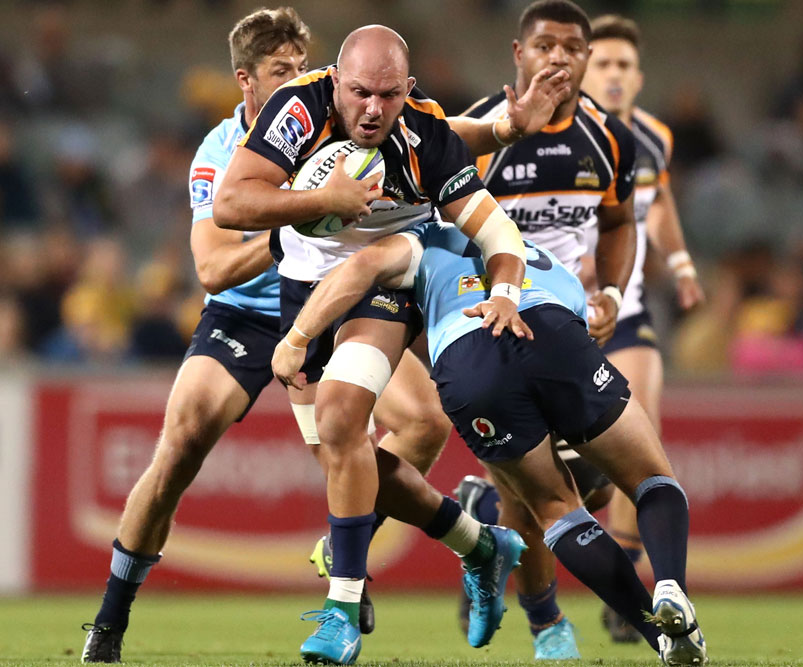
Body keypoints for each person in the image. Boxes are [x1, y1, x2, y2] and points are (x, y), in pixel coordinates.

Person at [212, 23, 565, 665]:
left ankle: (342, 611)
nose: (371, 110)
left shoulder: (424, 134)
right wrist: (326, 199)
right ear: (334, 81)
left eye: (386, 95)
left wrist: (508, 287)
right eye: (358, 94)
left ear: (407, 90)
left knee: (344, 414)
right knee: (355, 464)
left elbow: (494, 227)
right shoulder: (299, 105)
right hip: (304, 284)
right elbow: (229, 205)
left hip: (390, 277)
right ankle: (481, 545)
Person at [271, 222, 709, 667]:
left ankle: (658, 638)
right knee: (649, 478)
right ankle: (669, 585)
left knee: (555, 508)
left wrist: (296, 338)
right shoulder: (542, 254)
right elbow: (584, 324)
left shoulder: (420, 238)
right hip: (549, 329)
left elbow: (362, 265)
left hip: (467, 366)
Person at [81, 8, 313, 662]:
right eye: (279, 71)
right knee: (178, 444)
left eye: (301, 68)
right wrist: (287, 230)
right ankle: (110, 618)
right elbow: (211, 268)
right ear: (245, 80)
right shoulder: (217, 155)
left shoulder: (332, 128)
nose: (296, 82)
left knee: (404, 425)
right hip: (243, 312)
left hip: (326, 302)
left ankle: (363, 574)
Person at [452, 1, 640, 658]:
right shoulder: (480, 135)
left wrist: (611, 289)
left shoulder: (609, 139)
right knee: (539, 490)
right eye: (544, 46)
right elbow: (446, 234)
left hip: (572, 326)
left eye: (570, 47)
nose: (558, 58)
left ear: (586, 58)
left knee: (592, 479)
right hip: (495, 326)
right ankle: (547, 625)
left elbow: (618, 223)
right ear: (518, 54)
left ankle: (480, 528)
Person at [579, 13, 706, 643]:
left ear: (640, 74)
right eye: (603, 63)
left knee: (641, 432)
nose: (615, 75)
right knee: (557, 469)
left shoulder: (653, 138)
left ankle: (630, 579)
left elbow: (659, 206)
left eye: (624, 65)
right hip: (558, 321)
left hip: (624, 314)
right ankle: (486, 529)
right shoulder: (565, 135)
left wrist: (680, 264)